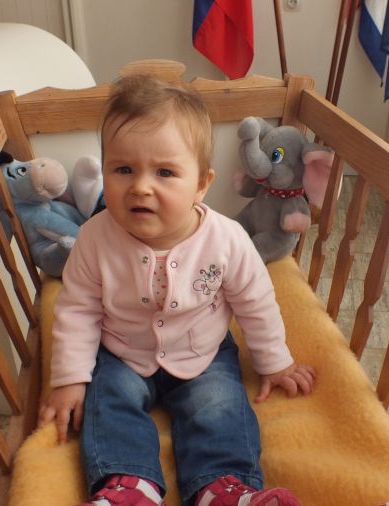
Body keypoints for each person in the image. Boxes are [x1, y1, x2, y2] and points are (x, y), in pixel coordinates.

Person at [38, 75, 316, 506]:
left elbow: (256, 302)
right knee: (107, 404)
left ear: (201, 184)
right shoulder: (94, 238)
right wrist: (70, 377)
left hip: (203, 352)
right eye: (123, 169)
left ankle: (223, 488)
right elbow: (77, 310)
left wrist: (274, 361)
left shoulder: (226, 239)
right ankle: (129, 487)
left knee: (220, 407)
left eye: (165, 172)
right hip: (121, 351)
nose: (140, 186)